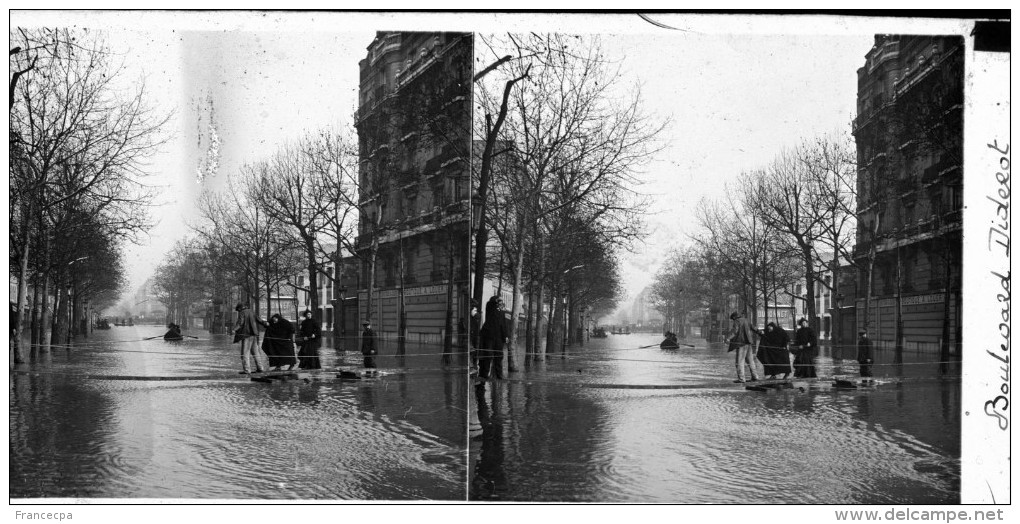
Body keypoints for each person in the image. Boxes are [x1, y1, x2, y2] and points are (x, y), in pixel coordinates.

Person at [478, 296, 509, 380]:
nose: (501, 303)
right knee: (488, 355)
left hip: (498, 337)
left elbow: (503, 325)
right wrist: (496, 300)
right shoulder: (490, 309)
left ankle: (499, 375)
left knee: (499, 356)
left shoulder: (502, 313)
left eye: (501, 301)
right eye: (500, 301)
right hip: (489, 336)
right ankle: (484, 375)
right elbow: (490, 304)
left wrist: (505, 336)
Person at [234, 303, 268, 374]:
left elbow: (240, 323)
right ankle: (260, 368)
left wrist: (234, 329)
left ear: (240, 308)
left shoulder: (242, 313)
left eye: (238, 310)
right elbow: (259, 320)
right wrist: (266, 324)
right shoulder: (252, 311)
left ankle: (247, 370)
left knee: (245, 353)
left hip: (246, 335)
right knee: (256, 352)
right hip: (254, 335)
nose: (238, 312)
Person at [728, 312, 760, 383]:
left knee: (739, 362)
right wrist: (760, 332)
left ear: (734, 317)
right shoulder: (746, 320)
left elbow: (735, 331)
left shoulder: (737, 321)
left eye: (733, 319)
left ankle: (741, 379)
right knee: (750, 361)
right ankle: (755, 377)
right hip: (748, 343)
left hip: (740, 343)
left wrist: (728, 338)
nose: (733, 321)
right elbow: (754, 328)